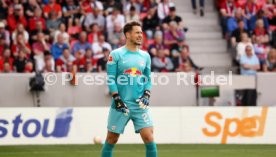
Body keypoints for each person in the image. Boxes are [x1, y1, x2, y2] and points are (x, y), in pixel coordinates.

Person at [102, 21, 157, 157]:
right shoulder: (116, 54)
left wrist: (147, 94)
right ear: (128, 34)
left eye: (141, 32)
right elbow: (110, 79)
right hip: (120, 105)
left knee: (149, 137)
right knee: (111, 138)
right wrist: (117, 98)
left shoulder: (145, 56)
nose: (140, 35)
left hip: (139, 104)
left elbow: (148, 79)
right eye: (137, 32)